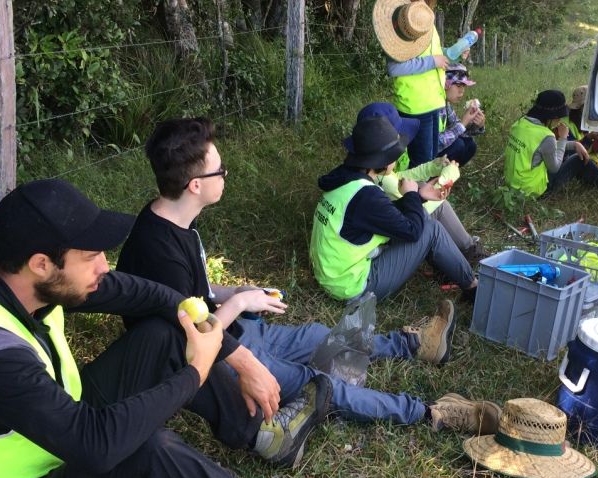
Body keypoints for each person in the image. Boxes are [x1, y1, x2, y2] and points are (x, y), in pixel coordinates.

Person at [0, 178, 388, 478]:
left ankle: (267, 435)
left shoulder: (14, 280)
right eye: (90, 256)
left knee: (164, 333)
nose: (104, 266)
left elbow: (154, 296)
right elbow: (96, 446)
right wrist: (197, 370)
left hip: (48, 436)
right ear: (42, 264)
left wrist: (235, 354)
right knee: (146, 451)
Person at [118, 118, 500, 433]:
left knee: (320, 336)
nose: (226, 174)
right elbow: (191, 342)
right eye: (220, 169)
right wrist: (240, 302)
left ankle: (414, 345)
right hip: (216, 360)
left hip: (237, 332)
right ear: (195, 185)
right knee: (321, 385)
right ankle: (429, 413)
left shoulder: (173, 220)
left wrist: (233, 291)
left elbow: (191, 295)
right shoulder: (159, 250)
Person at [311, 115, 479, 304]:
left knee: (423, 216)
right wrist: (411, 195)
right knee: (431, 230)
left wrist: (420, 196)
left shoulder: (346, 180)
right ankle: (473, 288)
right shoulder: (367, 195)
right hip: (351, 286)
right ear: (382, 161)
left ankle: (449, 270)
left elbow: (385, 215)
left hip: (332, 274)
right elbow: (413, 232)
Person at [348, 102, 488, 265]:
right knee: (439, 206)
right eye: (397, 135)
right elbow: (414, 207)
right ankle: (468, 250)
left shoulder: (369, 169)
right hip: (392, 236)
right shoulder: (383, 181)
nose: (402, 138)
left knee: (422, 187)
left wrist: (431, 167)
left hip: (388, 221)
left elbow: (399, 177)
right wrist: (446, 178)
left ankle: (462, 249)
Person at [504, 89, 598, 201]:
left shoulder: (519, 124)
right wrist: (563, 138)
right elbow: (554, 168)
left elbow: (542, 147)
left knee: (578, 156)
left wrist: (574, 144)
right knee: (579, 159)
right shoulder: (546, 135)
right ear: (551, 116)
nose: (559, 120)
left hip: (513, 187)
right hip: (532, 192)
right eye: (558, 116)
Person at [375, 0, 449, 167]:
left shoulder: (422, 16)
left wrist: (452, 53)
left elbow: (433, 54)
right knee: (422, 164)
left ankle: (424, 185)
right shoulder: (403, 20)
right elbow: (395, 68)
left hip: (433, 100)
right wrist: (433, 61)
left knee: (431, 159)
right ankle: (412, 185)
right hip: (415, 106)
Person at [437, 63, 484, 167]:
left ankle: (449, 173)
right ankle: (433, 175)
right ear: (445, 83)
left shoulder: (445, 104)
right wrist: (463, 123)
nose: (462, 91)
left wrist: (477, 125)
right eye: (458, 86)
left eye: (463, 86)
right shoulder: (434, 105)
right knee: (459, 145)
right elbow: (433, 144)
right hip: (424, 156)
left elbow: (457, 128)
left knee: (470, 145)